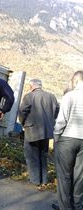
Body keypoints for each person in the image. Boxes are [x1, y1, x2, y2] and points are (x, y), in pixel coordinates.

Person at [19, 79, 58, 187]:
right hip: (46, 131)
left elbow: (22, 111)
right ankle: (44, 180)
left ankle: (35, 180)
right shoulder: (52, 96)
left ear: (32, 86)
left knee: (31, 155)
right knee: (43, 154)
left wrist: (23, 123)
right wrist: (50, 121)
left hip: (32, 130)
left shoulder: (29, 96)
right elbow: (57, 111)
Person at [52, 71, 83, 210]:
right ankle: (77, 205)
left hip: (68, 139)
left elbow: (61, 120)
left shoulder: (70, 96)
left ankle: (65, 207)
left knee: (65, 176)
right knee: (79, 176)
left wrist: (56, 137)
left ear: (75, 80)